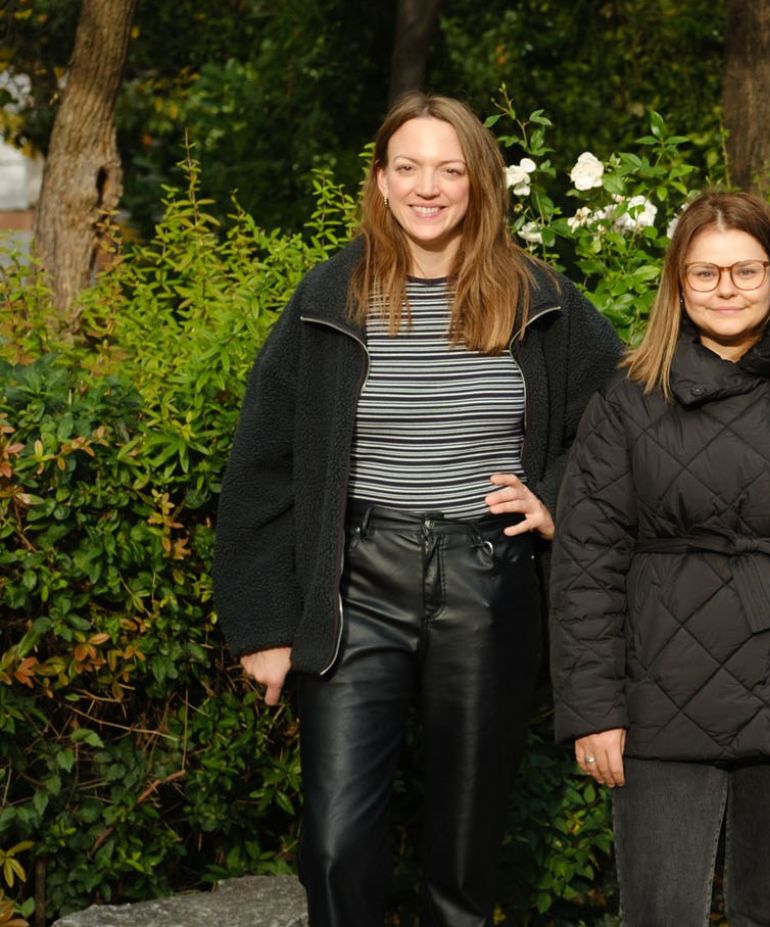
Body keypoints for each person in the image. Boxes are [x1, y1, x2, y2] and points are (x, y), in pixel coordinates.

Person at [213, 93, 623, 926]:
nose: (426, 187)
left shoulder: (539, 298)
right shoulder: (331, 295)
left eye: (448, 169)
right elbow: (262, 460)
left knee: (464, 854)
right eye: (407, 167)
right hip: (356, 585)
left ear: (479, 182)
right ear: (380, 179)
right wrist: (261, 625)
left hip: (488, 582)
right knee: (335, 845)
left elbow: (617, 416)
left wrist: (557, 497)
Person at [549, 191, 770, 927]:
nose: (727, 289)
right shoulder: (630, 399)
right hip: (662, 691)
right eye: (706, 273)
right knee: (661, 913)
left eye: (746, 271)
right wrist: (594, 710)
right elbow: (587, 565)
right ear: (678, 283)